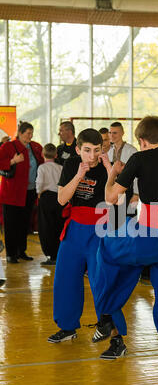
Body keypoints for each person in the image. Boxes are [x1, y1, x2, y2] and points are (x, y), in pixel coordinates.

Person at [94, 116, 158, 385]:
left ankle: (106, 314)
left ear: (141, 140)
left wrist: (112, 172)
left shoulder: (139, 158)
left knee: (107, 247)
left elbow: (112, 199)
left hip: (147, 234)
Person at [47, 128, 112, 343]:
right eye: (86, 150)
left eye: (96, 150)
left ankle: (108, 327)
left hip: (99, 228)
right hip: (75, 228)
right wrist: (78, 176)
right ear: (78, 149)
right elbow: (61, 199)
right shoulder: (71, 164)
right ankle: (67, 327)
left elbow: (115, 202)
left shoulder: (105, 168)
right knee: (65, 278)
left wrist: (111, 171)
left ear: (102, 149)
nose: (92, 156)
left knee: (100, 280)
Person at [0, 121, 43, 263]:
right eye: (27, 133)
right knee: (11, 223)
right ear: (20, 133)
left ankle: (21, 251)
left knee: (24, 223)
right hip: (12, 192)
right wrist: (12, 161)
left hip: (29, 191)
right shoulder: (8, 146)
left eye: (32, 133)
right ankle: (11, 253)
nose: (30, 136)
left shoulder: (34, 147)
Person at [36, 143, 64, 265]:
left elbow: (39, 183)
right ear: (56, 154)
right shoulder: (60, 167)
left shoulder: (42, 167)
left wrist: (38, 193)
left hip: (46, 197)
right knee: (59, 226)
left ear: (42, 154)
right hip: (59, 198)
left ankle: (51, 255)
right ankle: (59, 253)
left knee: (46, 227)